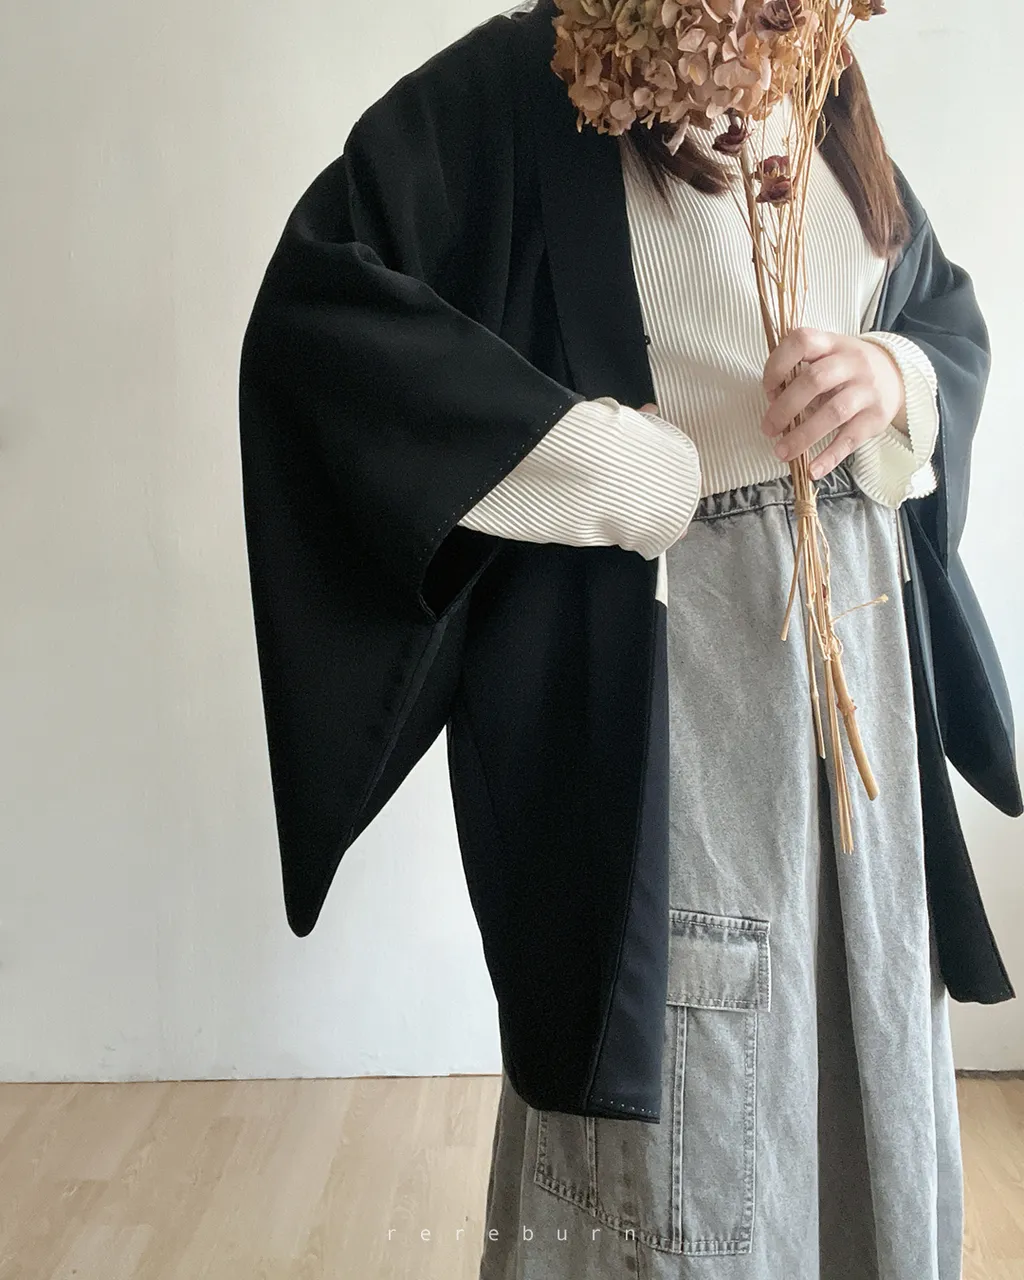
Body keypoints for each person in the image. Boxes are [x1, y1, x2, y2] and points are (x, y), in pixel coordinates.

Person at [238, 3, 1021, 1277]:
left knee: (861, 1021)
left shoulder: (810, 58)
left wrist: (891, 377)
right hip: (676, 661)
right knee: (691, 1075)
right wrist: (605, 463)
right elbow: (318, 320)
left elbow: (933, 304)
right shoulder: (533, 76)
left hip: (864, 659)